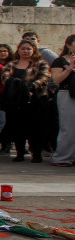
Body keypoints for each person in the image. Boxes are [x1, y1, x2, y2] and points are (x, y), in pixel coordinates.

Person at [0, 40, 50, 164]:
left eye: (28, 49)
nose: (26, 51)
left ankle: (36, 154)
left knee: (35, 129)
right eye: (23, 48)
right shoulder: (12, 64)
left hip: (35, 100)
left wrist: (31, 87)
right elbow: (5, 78)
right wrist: (20, 88)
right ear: (18, 50)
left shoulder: (41, 63)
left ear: (34, 50)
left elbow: (44, 78)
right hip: (16, 102)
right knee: (17, 128)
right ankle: (20, 152)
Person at [48, 34, 75, 167]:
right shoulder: (60, 61)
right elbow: (57, 80)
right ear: (69, 45)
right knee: (68, 127)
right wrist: (70, 68)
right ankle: (62, 157)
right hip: (66, 93)